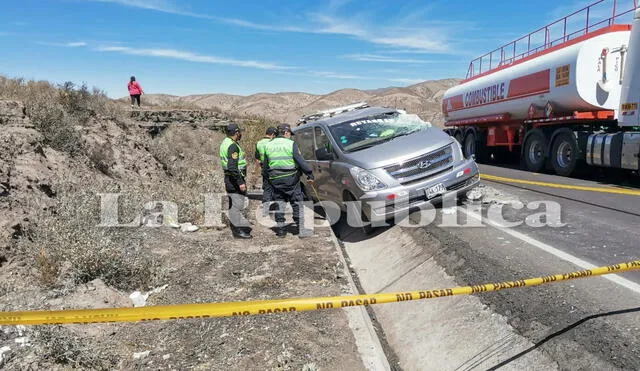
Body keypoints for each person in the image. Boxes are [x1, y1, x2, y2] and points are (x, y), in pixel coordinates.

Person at [263, 124, 314, 238]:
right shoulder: (290, 144)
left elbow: (265, 166)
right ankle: (301, 229)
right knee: (297, 202)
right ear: (286, 133)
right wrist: (309, 174)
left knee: (279, 203)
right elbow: (300, 161)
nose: (290, 136)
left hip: (275, 180)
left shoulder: (269, 145)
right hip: (291, 179)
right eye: (290, 134)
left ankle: (281, 231)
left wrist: (267, 181)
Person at [219, 123, 252, 239]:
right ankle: (237, 231)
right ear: (236, 133)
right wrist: (240, 182)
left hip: (229, 178)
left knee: (234, 204)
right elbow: (233, 166)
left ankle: (235, 228)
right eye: (239, 132)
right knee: (237, 205)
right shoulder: (232, 146)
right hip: (234, 180)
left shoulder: (225, 142)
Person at [255, 127, 278, 215]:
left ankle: (265, 207)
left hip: (264, 168)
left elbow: (257, 158)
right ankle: (275, 206)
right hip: (273, 167)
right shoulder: (273, 143)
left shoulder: (258, 143)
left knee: (267, 187)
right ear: (272, 135)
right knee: (276, 187)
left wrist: (256, 171)